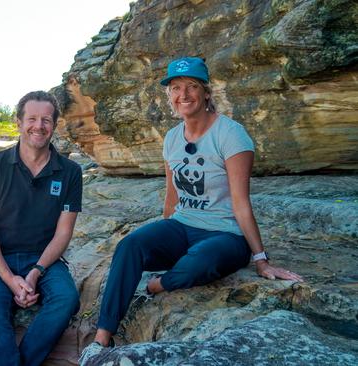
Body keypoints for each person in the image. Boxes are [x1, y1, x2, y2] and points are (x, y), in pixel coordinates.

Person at [86, 57, 304, 351]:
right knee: (130, 246)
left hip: (225, 235)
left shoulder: (231, 134)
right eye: (175, 88)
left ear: (206, 93)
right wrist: (161, 236)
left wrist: (261, 260)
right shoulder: (172, 139)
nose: (183, 95)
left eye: (191, 86)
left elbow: (241, 202)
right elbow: (172, 195)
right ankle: (102, 338)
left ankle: (157, 285)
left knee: (201, 260)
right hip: (182, 226)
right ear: (170, 96)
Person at [0, 90, 83, 366]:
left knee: (66, 299)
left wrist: (36, 273)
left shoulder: (70, 171)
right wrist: (10, 279)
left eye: (46, 120)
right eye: (32, 118)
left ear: (54, 126)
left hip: (45, 260)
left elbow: (63, 233)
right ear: (19, 122)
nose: (39, 126)